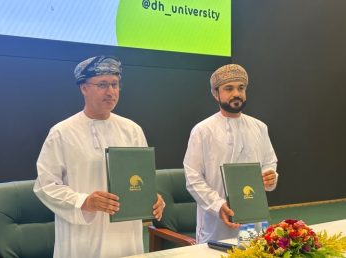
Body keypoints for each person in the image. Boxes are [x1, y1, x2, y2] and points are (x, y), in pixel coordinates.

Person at [34, 55, 165, 258]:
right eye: (102, 84)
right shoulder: (62, 132)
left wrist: (153, 198)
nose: (111, 92)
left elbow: (142, 178)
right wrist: (84, 201)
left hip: (125, 234)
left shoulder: (132, 130)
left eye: (115, 84)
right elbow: (45, 186)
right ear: (83, 88)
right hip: (83, 235)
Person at [183, 64, 278, 243]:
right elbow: (193, 177)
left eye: (241, 88)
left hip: (255, 221)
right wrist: (218, 206)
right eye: (229, 88)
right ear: (215, 93)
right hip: (216, 224)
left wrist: (270, 176)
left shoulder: (259, 127)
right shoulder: (202, 130)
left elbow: (270, 162)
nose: (236, 93)